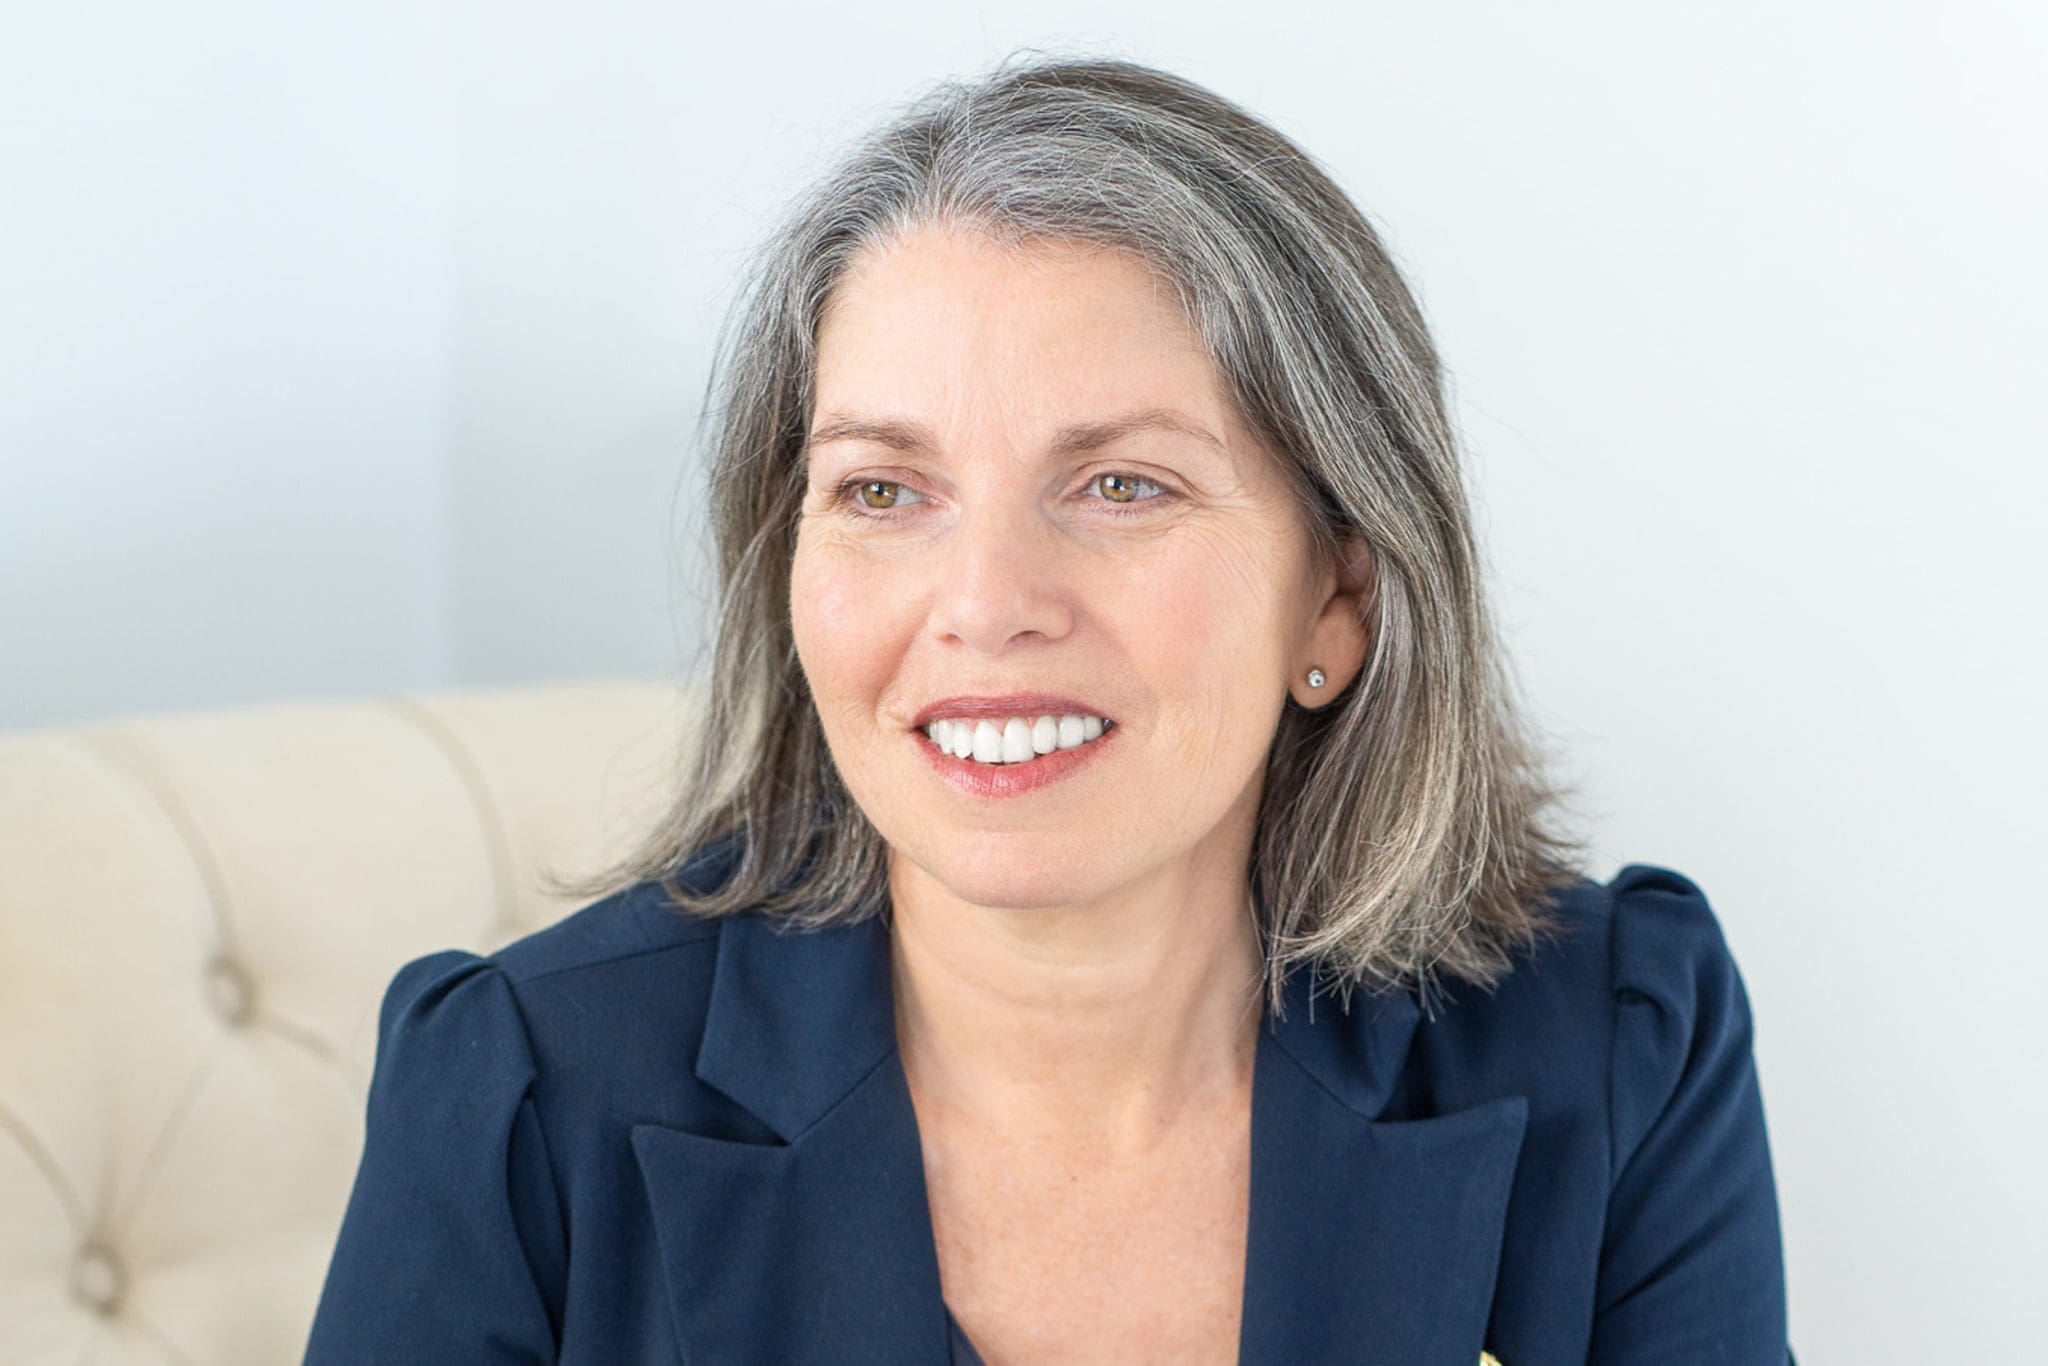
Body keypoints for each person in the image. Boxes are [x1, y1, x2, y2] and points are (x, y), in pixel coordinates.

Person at [304, 53, 1793, 1365]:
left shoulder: (1616, 1044)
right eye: (884, 491)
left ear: (1336, 598)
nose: (986, 600)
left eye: (1120, 484)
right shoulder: (517, 1096)